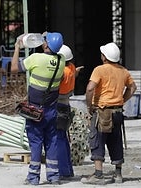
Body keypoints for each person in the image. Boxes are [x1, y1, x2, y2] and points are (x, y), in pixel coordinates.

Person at [11, 32, 65, 185]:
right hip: (51, 109)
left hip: (35, 110)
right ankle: (54, 176)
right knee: (51, 141)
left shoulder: (36, 59)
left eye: (45, 40)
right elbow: (53, 49)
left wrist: (17, 47)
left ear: (47, 45)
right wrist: (46, 38)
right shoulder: (61, 61)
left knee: (35, 142)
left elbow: (14, 68)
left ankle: (33, 177)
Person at [81, 42, 137, 185]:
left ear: (104, 57)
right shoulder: (123, 71)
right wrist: (122, 101)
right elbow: (133, 87)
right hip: (118, 112)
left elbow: (89, 89)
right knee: (115, 140)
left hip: (103, 111)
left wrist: (90, 105)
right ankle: (118, 174)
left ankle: (98, 175)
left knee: (97, 140)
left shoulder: (99, 70)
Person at [56, 44, 84, 179]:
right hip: (66, 105)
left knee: (58, 139)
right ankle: (67, 169)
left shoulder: (61, 71)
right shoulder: (71, 68)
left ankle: (63, 172)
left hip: (58, 105)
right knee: (63, 138)